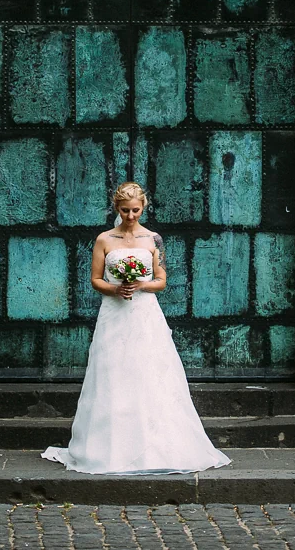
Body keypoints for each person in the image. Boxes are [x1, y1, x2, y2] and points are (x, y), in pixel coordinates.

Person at [41, 182, 232, 474]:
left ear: (143, 208)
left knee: (149, 370)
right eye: (125, 210)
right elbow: (96, 279)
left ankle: (157, 446)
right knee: (113, 372)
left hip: (144, 313)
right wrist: (116, 289)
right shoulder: (104, 239)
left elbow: (161, 280)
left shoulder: (154, 239)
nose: (130, 216)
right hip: (114, 313)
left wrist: (141, 284)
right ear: (116, 209)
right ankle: (110, 447)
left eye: (135, 210)